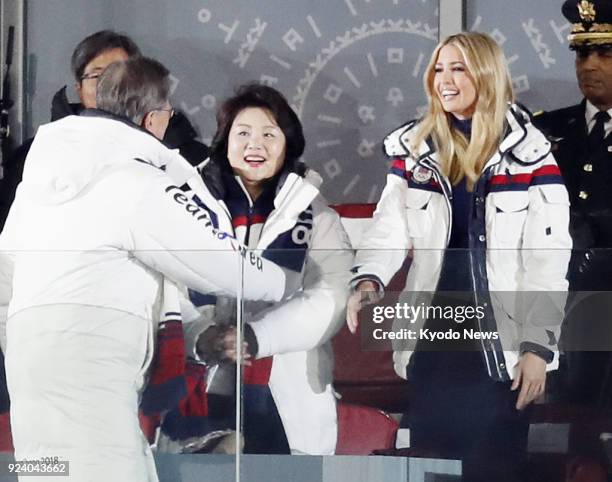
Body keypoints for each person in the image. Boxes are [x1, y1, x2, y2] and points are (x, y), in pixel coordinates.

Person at [0, 58, 294, 481]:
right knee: (108, 470)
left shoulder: (37, 180)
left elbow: (6, 271)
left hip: (29, 361)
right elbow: (214, 261)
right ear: (154, 117)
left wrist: (20, 346)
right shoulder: (137, 179)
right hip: (93, 359)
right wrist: (280, 279)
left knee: (45, 469)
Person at [346, 32, 571, 481]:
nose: (444, 80)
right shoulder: (414, 151)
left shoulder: (531, 155)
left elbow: (548, 260)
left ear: (486, 75)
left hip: (499, 351)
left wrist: (537, 349)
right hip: (434, 342)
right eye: (439, 69)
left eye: (458, 68)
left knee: (493, 468)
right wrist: (369, 279)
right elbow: (389, 228)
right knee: (433, 469)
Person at [160, 84, 353, 455]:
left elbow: (333, 292)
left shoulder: (314, 212)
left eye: (269, 134)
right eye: (243, 133)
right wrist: (202, 336)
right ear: (224, 141)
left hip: (288, 393)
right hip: (200, 386)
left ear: (288, 144)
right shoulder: (184, 205)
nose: (255, 145)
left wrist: (255, 336)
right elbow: (167, 286)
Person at [0, 30, 208, 232]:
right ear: (79, 89)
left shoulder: (187, 157)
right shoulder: (38, 154)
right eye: (98, 75)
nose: (108, 86)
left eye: (118, 74)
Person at [534, 0, 612, 406]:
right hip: (552, 310)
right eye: (582, 53)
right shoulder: (542, 131)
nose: (589, 65)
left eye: (605, 52)